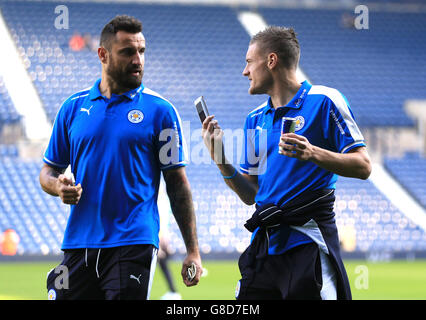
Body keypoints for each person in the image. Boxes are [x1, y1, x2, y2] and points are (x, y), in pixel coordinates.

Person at [202, 26, 371, 300]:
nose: (245, 72)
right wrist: (220, 158)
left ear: (271, 61)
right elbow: (250, 195)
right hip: (265, 249)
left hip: (308, 244)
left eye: (248, 62)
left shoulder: (325, 101)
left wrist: (313, 152)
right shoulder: (254, 119)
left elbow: (363, 166)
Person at [39, 15, 202, 300]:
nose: (137, 60)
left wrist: (192, 251)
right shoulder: (72, 108)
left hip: (133, 242)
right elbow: (47, 172)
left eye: (141, 51)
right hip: (79, 242)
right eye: (127, 52)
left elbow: (177, 184)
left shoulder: (161, 111)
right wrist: (58, 187)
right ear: (103, 54)